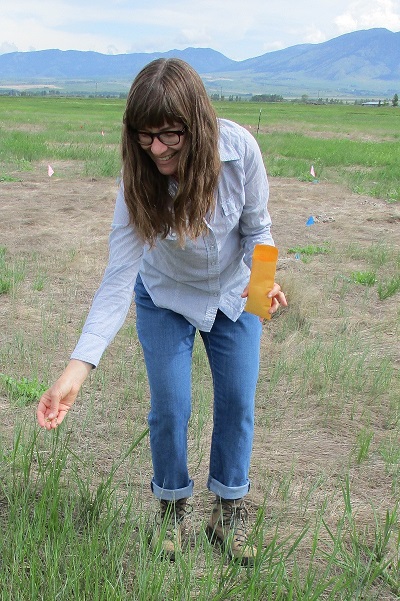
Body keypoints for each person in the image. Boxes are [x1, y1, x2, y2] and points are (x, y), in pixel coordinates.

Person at [36, 58, 287, 564]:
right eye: (145, 136)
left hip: (234, 294)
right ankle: (171, 511)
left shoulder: (240, 154)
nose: (157, 149)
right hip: (165, 295)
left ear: (196, 123)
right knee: (170, 408)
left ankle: (227, 515)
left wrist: (263, 286)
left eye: (170, 134)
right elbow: (117, 279)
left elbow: (258, 230)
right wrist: (75, 372)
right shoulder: (138, 182)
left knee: (238, 404)